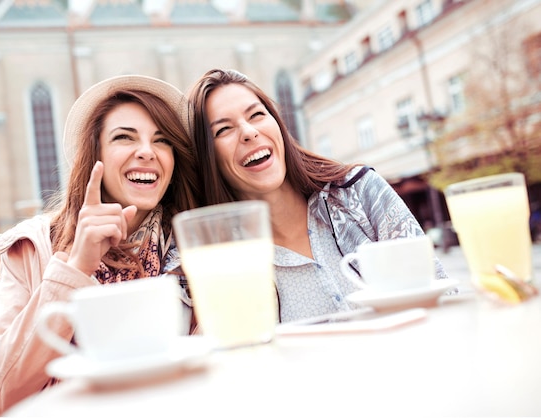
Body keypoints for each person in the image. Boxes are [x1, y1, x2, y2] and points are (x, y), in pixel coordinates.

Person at [0, 74, 199, 416]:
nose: (147, 152)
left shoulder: (192, 247)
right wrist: (74, 269)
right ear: (96, 155)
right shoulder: (32, 247)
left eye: (161, 140)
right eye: (124, 137)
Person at [187, 68, 449, 323]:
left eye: (256, 114)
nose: (249, 132)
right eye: (223, 130)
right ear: (208, 158)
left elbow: (439, 295)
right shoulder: (222, 262)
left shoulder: (359, 191)